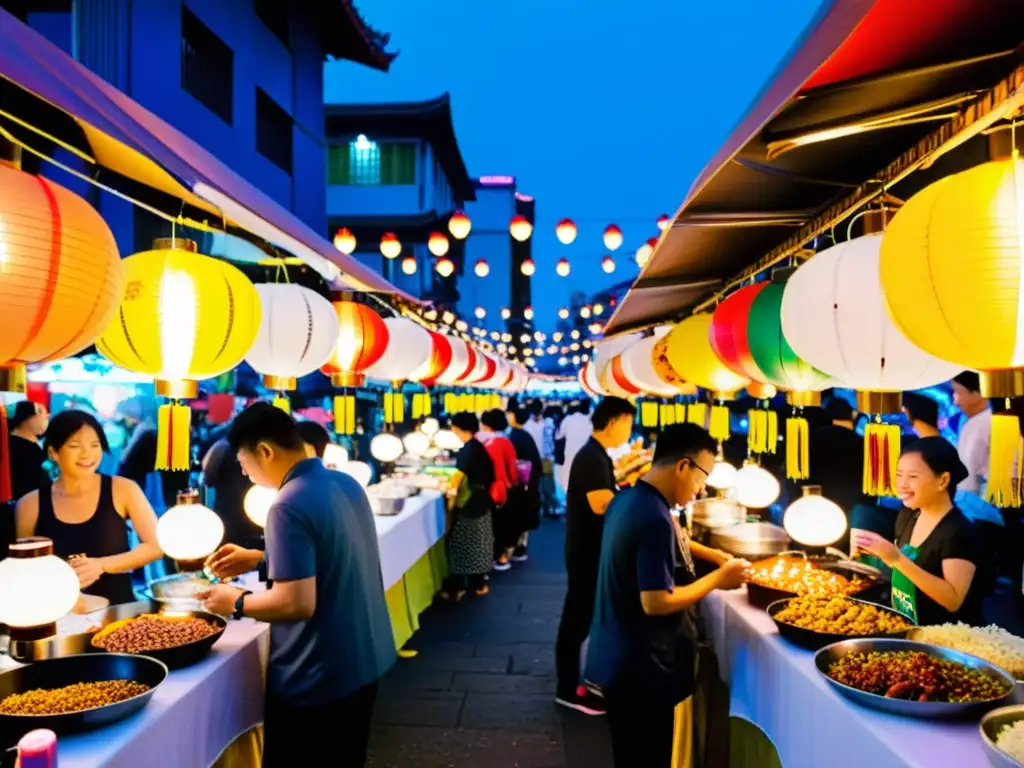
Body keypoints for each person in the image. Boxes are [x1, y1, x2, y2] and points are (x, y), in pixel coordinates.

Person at [199, 402, 395, 767]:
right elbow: (336, 551)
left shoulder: (287, 503)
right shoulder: (344, 482)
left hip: (318, 677)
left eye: (243, 462)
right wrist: (260, 557)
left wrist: (234, 601)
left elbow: (296, 603)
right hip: (364, 661)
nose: (244, 472)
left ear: (265, 451)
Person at [586, 423, 749, 767]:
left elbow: (677, 539)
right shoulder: (653, 518)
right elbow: (656, 601)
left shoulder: (630, 497)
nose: (702, 488)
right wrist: (719, 578)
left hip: (615, 655)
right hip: (640, 670)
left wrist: (715, 556)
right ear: (683, 466)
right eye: (702, 476)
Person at [15, 410, 161, 605]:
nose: (87, 454)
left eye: (95, 445)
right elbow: (23, 567)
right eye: (75, 446)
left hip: (118, 611)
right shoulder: (30, 504)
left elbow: (156, 546)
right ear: (53, 452)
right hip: (57, 613)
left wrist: (101, 565)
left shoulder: (124, 489)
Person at [555, 396, 636, 715]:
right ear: (615, 421)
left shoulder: (597, 455)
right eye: (628, 424)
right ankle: (566, 689)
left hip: (588, 549)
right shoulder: (591, 457)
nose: (629, 431)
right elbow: (602, 505)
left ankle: (576, 682)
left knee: (582, 617)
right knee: (576, 619)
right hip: (585, 551)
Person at [855, 437, 985, 626]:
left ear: (943, 481)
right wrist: (869, 557)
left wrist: (896, 558)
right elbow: (902, 571)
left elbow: (953, 600)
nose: (902, 484)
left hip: (944, 640)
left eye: (913, 477)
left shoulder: (959, 532)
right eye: (899, 475)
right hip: (904, 628)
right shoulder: (908, 515)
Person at [442, 412, 496, 599]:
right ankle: (478, 584)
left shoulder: (468, 450)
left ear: (458, 428)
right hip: (481, 501)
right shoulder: (477, 447)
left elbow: (457, 477)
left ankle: (459, 587)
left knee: (462, 545)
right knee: (479, 545)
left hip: (470, 504)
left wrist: (450, 493)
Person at [479, 410, 519, 571]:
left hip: (489, 489)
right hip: (504, 489)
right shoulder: (506, 442)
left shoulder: (484, 443)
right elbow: (512, 468)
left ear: (486, 425)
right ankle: (502, 556)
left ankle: (494, 557)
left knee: (492, 525)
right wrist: (513, 483)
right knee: (502, 524)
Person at [507, 405, 542, 561]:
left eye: (509, 413)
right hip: (529, 484)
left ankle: (517, 548)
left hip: (521, 485)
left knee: (519, 516)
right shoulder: (524, 435)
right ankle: (521, 547)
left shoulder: (515, 437)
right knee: (524, 517)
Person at [951, 371, 992, 495]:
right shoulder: (971, 421)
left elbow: (970, 472)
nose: (955, 401)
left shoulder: (986, 421)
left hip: (981, 504)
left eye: (958, 392)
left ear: (977, 394)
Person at [8, 400, 50, 501]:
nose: (47, 416)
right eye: (40, 412)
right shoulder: (25, 449)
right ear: (26, 417)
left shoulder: (32, 446)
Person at [525, 400, 558, 517]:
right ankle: (549, 507)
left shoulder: (527, 425)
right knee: (548, 484)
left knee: (535, 484)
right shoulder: (548, 423)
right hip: (546, 459)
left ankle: (540, 507)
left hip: (533, 459)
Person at [556, 399, 593, 499]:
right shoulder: (593, 420)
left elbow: (559, 437)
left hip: (570, 459)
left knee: (571, 489)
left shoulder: (568, 419)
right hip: (588, 459)